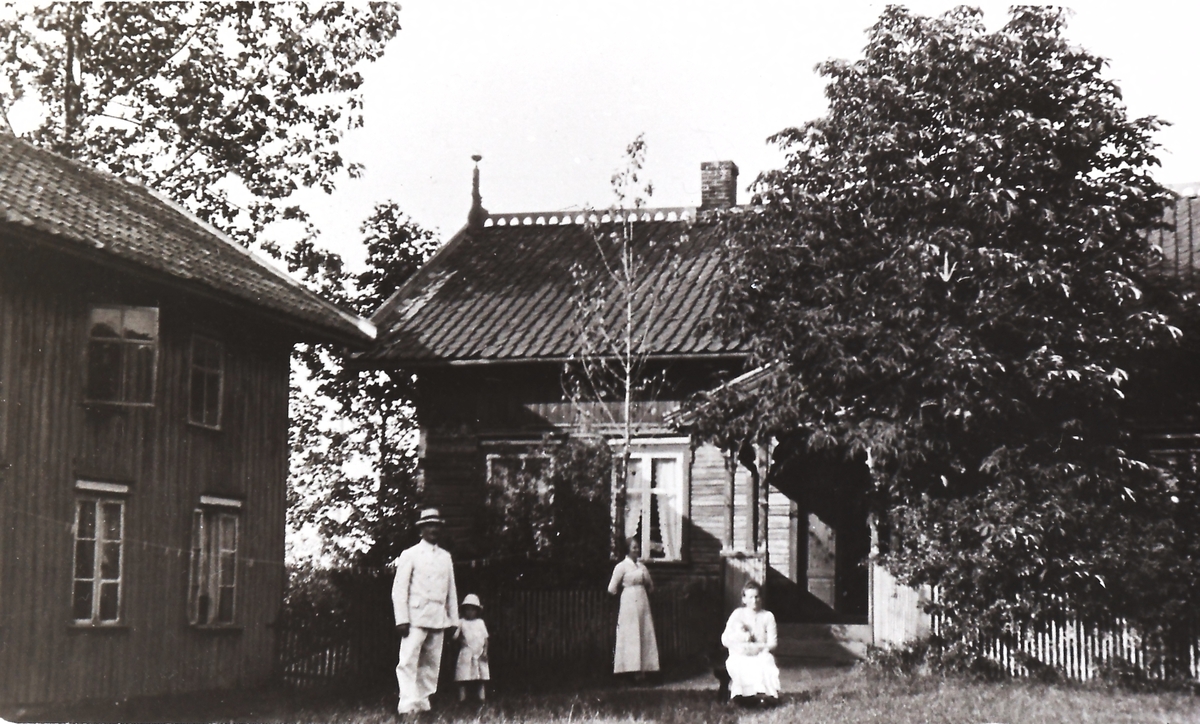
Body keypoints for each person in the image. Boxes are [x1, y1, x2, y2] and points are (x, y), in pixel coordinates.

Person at [392, 507, 459, 716]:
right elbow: (399, 589)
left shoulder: (445, 557)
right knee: (408, 660)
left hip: (438, 617)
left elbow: (451, 591)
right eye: (429, 525)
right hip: (415, 617)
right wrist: (401, 618)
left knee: (431, 662)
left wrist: (453, 620)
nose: (433, 529)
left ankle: (423, 701)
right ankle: (406, 703)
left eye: (437, 526)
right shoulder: (410, 554)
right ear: (421, 530)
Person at [607, 536, 659, 679]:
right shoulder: (621, 567)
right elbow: (611, 588)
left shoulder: (642, 567)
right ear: (627, 549)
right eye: (633, 547)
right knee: (630, 634)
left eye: (637, 547)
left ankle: (643, 670)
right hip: (628, 603)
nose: (636, 550)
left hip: (642, 601)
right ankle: (628, 670)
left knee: (643, 631)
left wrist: (644, 588)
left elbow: (650, 585)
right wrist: (625, 593)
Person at [721, 581, 780, 705]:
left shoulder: (768, 616)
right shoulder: (738, 614)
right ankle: (741, 697)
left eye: (757, 597)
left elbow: (773, 643)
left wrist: (758, 648)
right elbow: (725, 638)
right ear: (744, 599)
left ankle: (765, 697)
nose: (754, 600)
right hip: (740, 652)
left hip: (760, 652)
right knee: (739, 663)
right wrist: (738, 647)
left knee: (766, 661)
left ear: (761, 598)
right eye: (750, 597)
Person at [454, 593, 490, 703]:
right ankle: (462, 698)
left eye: (472, 610)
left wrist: (485, 651)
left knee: (481, 676)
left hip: (479, 653)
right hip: (466, 653)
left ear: (477, 611)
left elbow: (485, 639)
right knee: (463, 675)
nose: (470, 612)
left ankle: (481, 697)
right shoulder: (461, 622)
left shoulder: (480, 623)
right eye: (467, 610)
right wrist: (460, 638)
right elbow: (455, 637)